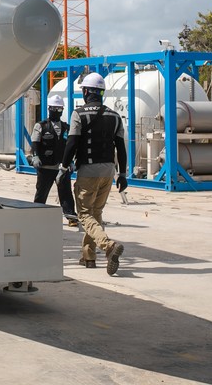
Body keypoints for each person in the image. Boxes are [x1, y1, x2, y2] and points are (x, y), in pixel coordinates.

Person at [61, 72, 128, 275]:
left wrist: (63, 167)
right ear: (101, 93)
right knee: (96, 213)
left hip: (88, 170)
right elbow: (121, 148)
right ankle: (88, 257)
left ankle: (108, 246)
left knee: (84, 214)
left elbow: (72, 142)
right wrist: (122, 174)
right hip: (108, 171)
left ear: (86, 92)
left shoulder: (78, 114)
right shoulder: (115, 116)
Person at [30, 94, 78, 226]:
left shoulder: (66, 127)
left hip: (62, 168)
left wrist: (71, 161)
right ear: (49, 109)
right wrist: (35, 156)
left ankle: (71, 216)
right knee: (41, 193)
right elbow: (35, 143)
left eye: (59, 109)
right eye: (54, 109)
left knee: (66, 193)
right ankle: (35, 215)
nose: (56, 111)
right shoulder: (41, 126)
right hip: (45, 167)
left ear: (62, 110)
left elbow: (70, 146)